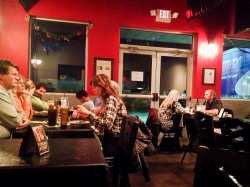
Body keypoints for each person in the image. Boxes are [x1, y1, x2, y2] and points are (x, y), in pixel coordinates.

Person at [75, 74, 127, 156]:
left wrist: (88, 113)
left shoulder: (111, 99)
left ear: (103, 86)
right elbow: (103, 122)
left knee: (81, 146)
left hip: (113, 141)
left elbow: (107, 124)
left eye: (95, 87)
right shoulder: (107, 99)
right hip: (111, 139)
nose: (93, 90)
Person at [0, 59, 30, 138]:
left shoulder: (8, 91)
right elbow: (15, 122)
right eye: (14, 75)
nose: (18, 78)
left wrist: (24, 118)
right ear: (1, 75)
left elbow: (19, 112)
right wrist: (9, 127)